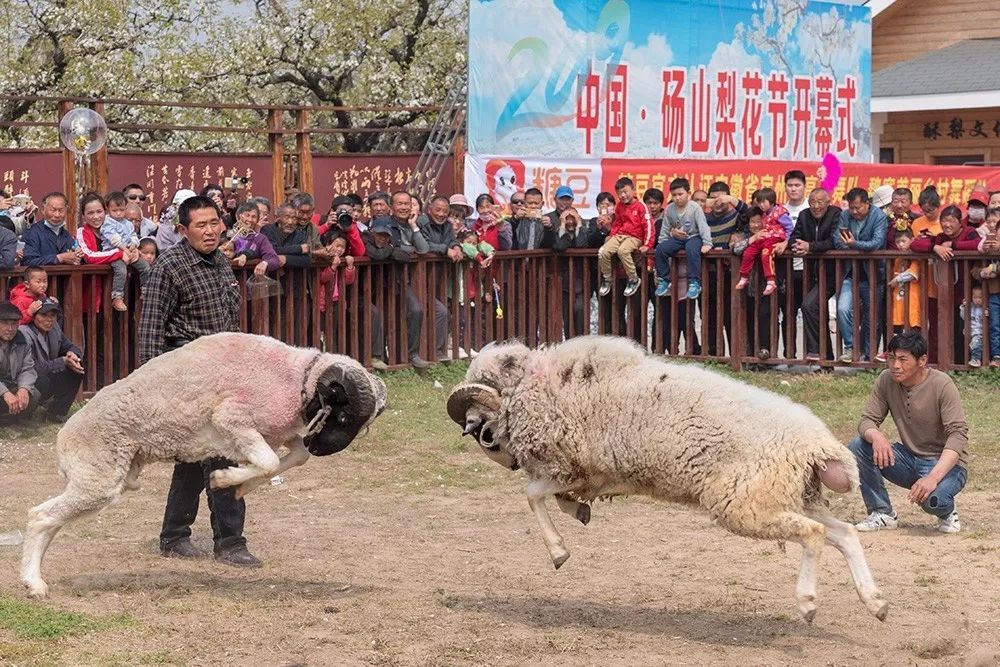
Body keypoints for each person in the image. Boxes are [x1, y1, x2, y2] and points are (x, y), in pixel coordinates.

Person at [137, 195, 259, 567]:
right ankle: (230, 541)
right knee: (223, 453)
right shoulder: (169, 268)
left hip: (224, 375)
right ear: (182, 230)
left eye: (213, 223)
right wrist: (153, 390)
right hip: (187, 378)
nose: (209, 231)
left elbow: (229, 320)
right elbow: (150, 330)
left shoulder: (221, 261)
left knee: (193, 459)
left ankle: (174, 535)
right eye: (200, 225)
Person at [848, 332, 968, 534]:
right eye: (892, 358)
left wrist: (932, 478)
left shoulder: (942, 384)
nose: (895, 365)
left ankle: (948, 511)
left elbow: (958, 435)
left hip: (946, 465)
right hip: (908, 458)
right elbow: (867, 420)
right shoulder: (886, 380)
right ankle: (882, 512)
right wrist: (877, 436)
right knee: (859, 446)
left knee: (934, 501)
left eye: (903, 360)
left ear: (922, 360)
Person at [834, 188, 888, 362]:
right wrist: (857, 247)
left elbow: (877, 242)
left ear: (867, 203)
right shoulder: (845, 216)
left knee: (871, 317)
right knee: (842, 309)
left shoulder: (878, 216)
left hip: (872, 273)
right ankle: (850, 347)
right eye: (851, 208)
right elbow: (837, 240)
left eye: (858, 207)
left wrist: (854, 244)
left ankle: (867, 357)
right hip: (850, 272)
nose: (854, 212)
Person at [791, 188, 840, 360]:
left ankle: (815, 350)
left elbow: (834, 241)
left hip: (832, 273)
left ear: (828, 202)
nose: (816, 206)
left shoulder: (836, 214)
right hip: (811, 273)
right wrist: (796, 246)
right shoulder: (804, 216)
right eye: (812, 202)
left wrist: (810, 247)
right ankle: (826, 359)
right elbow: (794, 237)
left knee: (809, 305)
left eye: (820, 202)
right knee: (818, 312)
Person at [18, 298, 84, 422]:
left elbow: (70, 346)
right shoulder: (24, 332)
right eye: (43, 315)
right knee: (42, 380)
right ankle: (26, 414)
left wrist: (72, 354)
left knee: (78, 365)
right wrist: (63, 361)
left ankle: (57, 412)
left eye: (52, 315)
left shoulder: (54, 328)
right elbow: (32, 367)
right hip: (28, 378)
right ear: (33, 316)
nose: (49, 320)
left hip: (48, 370)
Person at [654, 177, 712, 299]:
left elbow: (703, 226)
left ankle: (694, 282)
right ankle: (664, 279)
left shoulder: (694, 207)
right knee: (660, 249)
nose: (677, 197)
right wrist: (663, 243)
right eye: (674, 195)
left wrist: (707, 243)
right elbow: (665, 228)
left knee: (691, 248)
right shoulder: (669, 209)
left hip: (694, 237)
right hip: (678, 239)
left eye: (680, 194)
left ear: (688, 194)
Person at [598, 177, 653, 298]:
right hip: (620, 235)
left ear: (633, 190)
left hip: (635, 237)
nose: (623, 195)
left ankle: (633, 279)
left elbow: (648, 226)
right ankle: (607, 278)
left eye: (625, 192)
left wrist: (647, 245)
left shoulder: (641, 206)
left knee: (623, 251)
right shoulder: (619, 207)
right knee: (603, 251)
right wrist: (612, 236)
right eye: (619, 193)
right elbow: (617, 223)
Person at [100, 192, 152, 311]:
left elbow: (133, 235)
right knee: (121, 271)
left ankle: (146, 290)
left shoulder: (128, 223)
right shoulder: (107, 223)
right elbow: (114, 239)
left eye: (121, 210)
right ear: (108, 209)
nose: (118, 213)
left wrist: (133, 246)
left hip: (128, 251)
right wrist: (125, 250)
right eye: (115, 210)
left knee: (145, 266)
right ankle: (117, 297)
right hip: (113, 253)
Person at [22, 192, 83, 267]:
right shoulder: (32, 233)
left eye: (61, 210)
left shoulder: (66, 235)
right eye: (53, 210)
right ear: (43, 210)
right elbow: (28, 261)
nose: (57, 215)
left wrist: (77, 256)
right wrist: (58, 258)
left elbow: (74, 258)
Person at [734, 205, 785, 296]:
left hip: (772, 287)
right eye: (753, 222)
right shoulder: (744, 235)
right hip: (750, 289)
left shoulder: (774, 235)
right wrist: (753, 239)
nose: (756, 225)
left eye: (759, 221)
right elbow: (735, 249)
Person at [0, 301, 38, 423]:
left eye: (14, 323)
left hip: (11, 382)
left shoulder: (23, 340)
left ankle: (11, 420)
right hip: (2, 388)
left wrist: (24, 388)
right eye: (5, 323)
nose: (10, 328)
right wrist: (5, 393)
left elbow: (28, 368)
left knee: (34, 394)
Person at [888, 230, 922, 335]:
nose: (901, 244)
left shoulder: (915, 256)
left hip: (912, 298)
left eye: (903, 241)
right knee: (899, 330)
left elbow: (913, 273)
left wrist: (897, 279)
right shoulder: (898, 258)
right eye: (898, 242)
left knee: (912, 330)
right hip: (899, 298)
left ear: (912, 240)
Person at [972, 259, 1000, 367]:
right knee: (995, 325)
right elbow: (974, 270)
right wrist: (982, 273)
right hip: (993, 293)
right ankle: (997, 356)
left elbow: (994, 269)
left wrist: (994, 269)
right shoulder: (985, 250)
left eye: (995, 240)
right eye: (989, 240)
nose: (991, 242)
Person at [960, 286, 985, 368]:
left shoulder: (985, 308)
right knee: (971, 346)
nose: (977, 300)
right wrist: (964, 308)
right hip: (970, 332)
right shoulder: (970, 306)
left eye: (980, 297)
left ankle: (976, 359)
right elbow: (963, 317)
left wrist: (988, 313)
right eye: (975, 297)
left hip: (980, 332)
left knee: (976, 344)